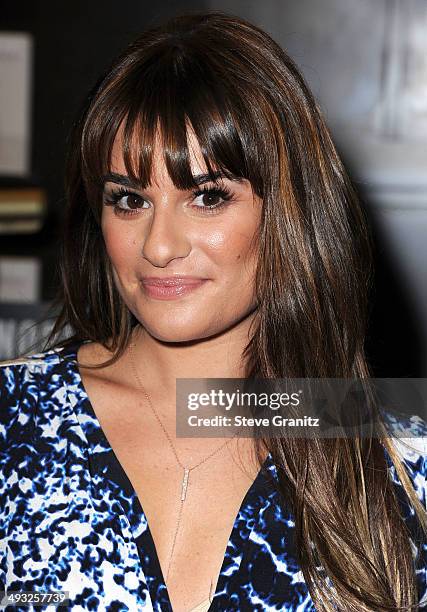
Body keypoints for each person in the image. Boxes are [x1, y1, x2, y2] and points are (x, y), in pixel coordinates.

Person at [0, 10, 426, 612]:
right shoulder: (13, 422)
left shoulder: (394, 458)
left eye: (207, 197)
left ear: (288, 213)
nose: (159, 245)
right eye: (128, 200)